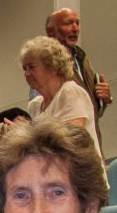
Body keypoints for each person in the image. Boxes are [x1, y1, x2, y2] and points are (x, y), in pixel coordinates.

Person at [16, 36, 103, 161]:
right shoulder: (35, 105)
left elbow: (69, 143)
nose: (26, 74)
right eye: (24, 69)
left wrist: (25, 135)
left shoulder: (70, 92)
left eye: (31, 67)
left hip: (82, 176)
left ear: (52, 66)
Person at [46, 8, 111, 147]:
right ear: (51, 31)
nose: (75, 28)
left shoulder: (84, 61)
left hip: (92, 148)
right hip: (67, 151)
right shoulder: (44, 66)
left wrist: (104, 101)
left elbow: (90, 113)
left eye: (77, 23)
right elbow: (42, 116)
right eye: (68, 23)